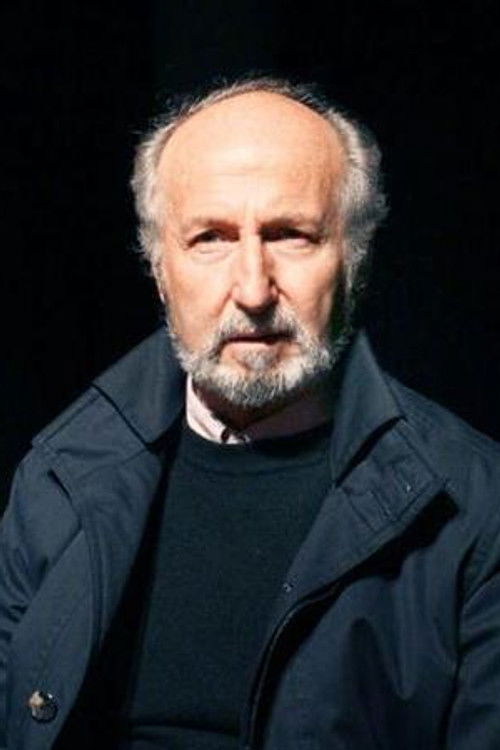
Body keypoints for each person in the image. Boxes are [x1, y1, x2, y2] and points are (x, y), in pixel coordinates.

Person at [2, 77, 500, 750]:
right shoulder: (57, 478)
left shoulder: (476, 507)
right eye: (210, 238)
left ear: (352, 261)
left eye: (291, 235)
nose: (253, 290)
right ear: (159, 268)